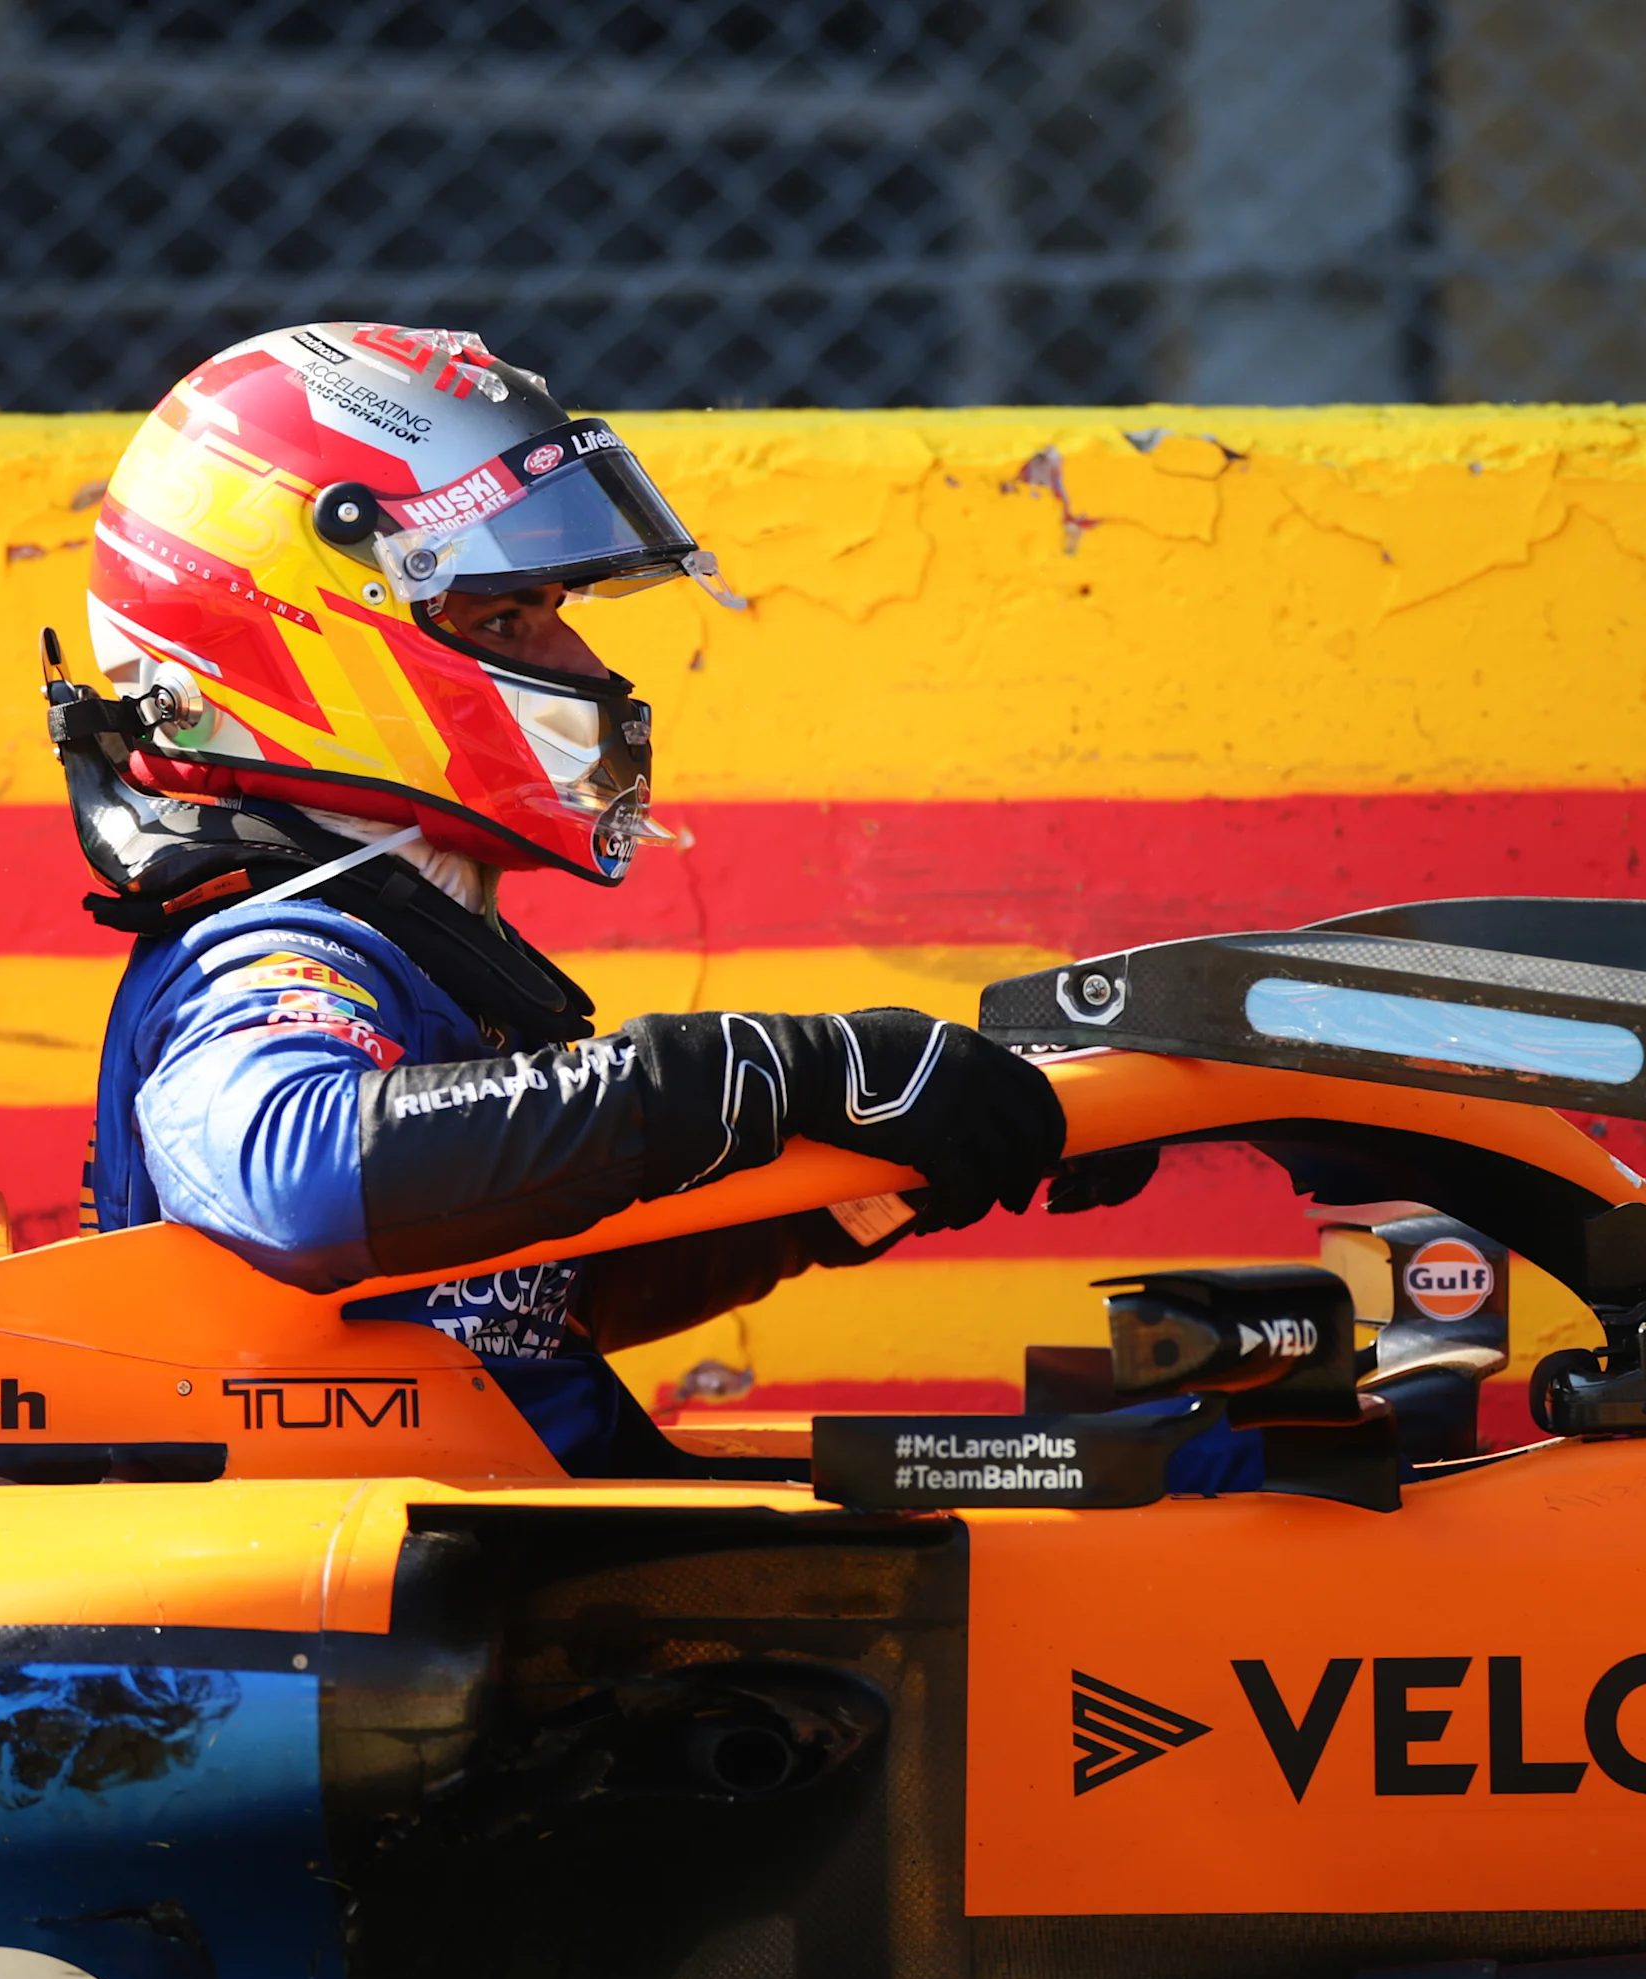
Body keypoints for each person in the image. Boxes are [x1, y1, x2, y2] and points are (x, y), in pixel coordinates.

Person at [52, 322, 1076, 1473]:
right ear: (304, 642)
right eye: (506, 619)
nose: (585, 669)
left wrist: (892, 1165)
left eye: (554, 611)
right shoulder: (274, 949)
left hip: (503, 1523)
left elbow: (530, 1297)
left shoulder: (409, 935)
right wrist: (759, 1070)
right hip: (404, 1564)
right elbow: (293, 1177)